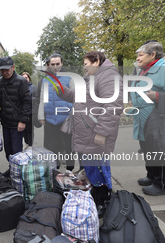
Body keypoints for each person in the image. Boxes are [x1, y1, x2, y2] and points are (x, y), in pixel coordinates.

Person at [55, 51, 123, 217]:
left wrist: (102, 132)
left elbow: (114, 105)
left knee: (97, 169)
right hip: (86, 133)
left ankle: (103, 202)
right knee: (90, 169)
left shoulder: (108, 77)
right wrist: (62, 91)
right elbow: (77, 97)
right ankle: (94, 198)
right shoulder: (92, 79)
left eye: (85, 64)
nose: (83, 67)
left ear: (97, 61)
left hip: (94, 133)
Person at [131, 42, 165, 196]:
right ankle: (152, 176)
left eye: (140, 55)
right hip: (144, 116)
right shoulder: (145, 69)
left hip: (159, 116)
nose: (138, 58)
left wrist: (159, 96)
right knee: (147, 147)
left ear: (152, 55)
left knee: (157, 148)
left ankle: (163, 184)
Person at [0, 56, 31, 176]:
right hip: (5, 122)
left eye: (7, 69)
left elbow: (27, 102)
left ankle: (18, 173)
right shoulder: (0, 82)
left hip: (17, 123)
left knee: (16, 150)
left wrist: (23, 121)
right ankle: (12, 169)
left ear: (13, 67)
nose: (5, 72)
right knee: (8, 150)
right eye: (2, 70)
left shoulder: (21, 81)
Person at [37, 53, 75, 170]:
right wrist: (41, 115)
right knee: (51, 147)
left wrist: (73, 114)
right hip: (50, 119)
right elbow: (43, 98)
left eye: (57, 64)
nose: (55, 66)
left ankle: (69, 170)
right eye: (52, 64)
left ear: (62, 63)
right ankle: (54, 170)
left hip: (66, 118)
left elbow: (74, 97)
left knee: (68, 147)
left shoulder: (69, 77)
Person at [21, 72, 37, 148]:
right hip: (22, 112)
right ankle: (26, 142)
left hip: (31, 112)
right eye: (23, 78)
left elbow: (37, 98)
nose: (25, 79)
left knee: (30, 129)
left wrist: (29, 99)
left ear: (29, 78)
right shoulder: (19, 87)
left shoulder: (33, 87)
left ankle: (30, 145)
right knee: (24, 129)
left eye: (26, 77)